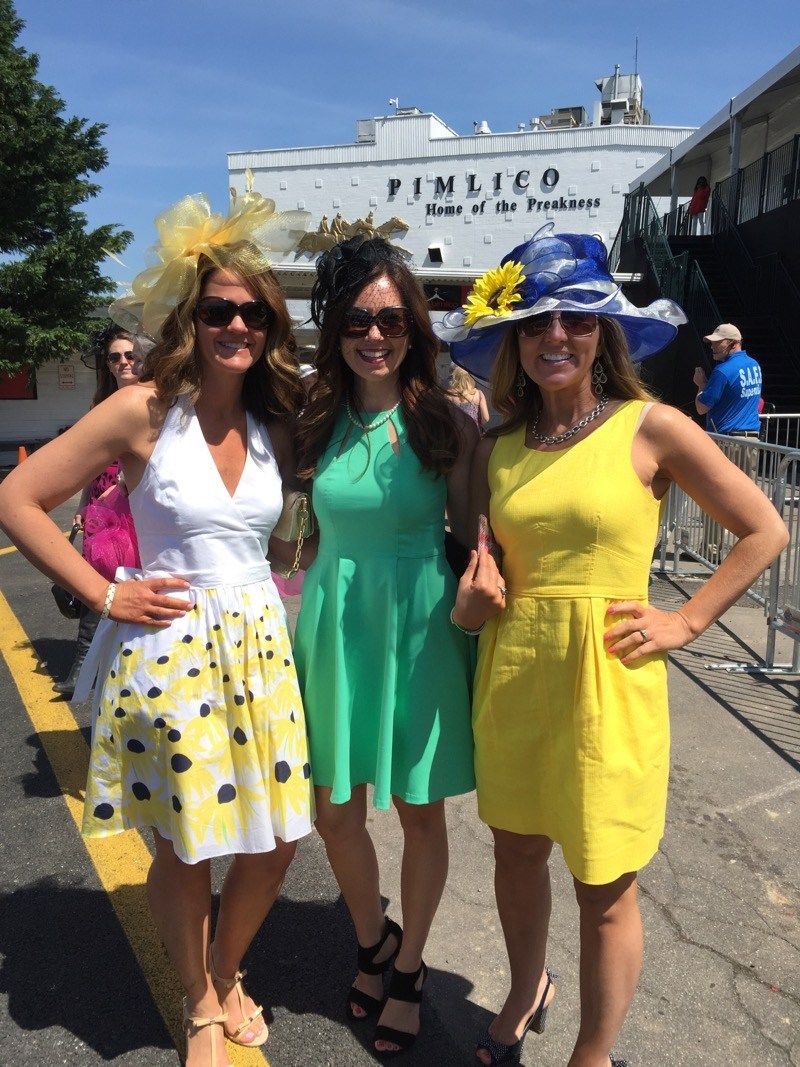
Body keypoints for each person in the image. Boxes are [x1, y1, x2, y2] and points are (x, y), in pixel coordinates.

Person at [435, 225, 788, 1067]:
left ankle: (592, 1054)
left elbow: (764, 528)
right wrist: (473, 611)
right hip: (516, 671)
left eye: (578, 319)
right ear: (515, 341)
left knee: (605, 884)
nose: (556, 336)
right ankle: (526, 990)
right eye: (536, 323)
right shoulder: (499, 446)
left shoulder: (651, 426)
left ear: (605, 334)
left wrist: (686, 619)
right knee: (516, 853)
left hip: (608, 678)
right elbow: (487, 567)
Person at [0, 190, 315, 1067]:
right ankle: (202, 999)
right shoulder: (144, 410)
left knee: (281, 833)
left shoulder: (275, 420)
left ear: (271, 325)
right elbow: (17, 500)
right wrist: (103, 595)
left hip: (258, 646)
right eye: (219, 309)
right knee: (182, 838)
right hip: (170, 649)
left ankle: (226, 964)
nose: (237, 325)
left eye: (254, 312)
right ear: (191, 315)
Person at [293, 235, 478, 1057]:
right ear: (335, 327)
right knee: (335, 811)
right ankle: (371, 938)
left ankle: (408, 967)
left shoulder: (449, 418)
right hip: (335, 623)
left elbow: (475, 534)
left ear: (415, 326)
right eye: (360, 319)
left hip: (419, 626)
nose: (376, 334)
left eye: (393, 318)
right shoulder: (309, 411)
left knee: (416, 808)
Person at [54, 325, 143, 696]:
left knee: (130, 594)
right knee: (98, 592)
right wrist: (84, 506)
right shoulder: (101, 408)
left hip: (137, 516)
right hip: (103, 517)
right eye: (115, 357)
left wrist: (122, 487)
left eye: (131, 355)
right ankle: (83, 670)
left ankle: (108, 671)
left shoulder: (158, 401)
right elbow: (91, 472)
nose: (123, 362)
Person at [693, 323, 762, 435]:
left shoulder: (722, 370)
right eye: (712, 343)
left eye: (717, 342)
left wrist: (701, 385)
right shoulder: (754, 365)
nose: (712, 346)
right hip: (752, 439)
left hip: (727, 441)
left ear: (734, 343)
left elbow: (701, 408)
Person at [445, 364, 490, 428]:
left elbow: (446, 418)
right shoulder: (479, 394)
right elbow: (486, 418)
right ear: (471, 378)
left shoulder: (449, 394)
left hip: (457, 434)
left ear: (455, 378)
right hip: (474, 433)